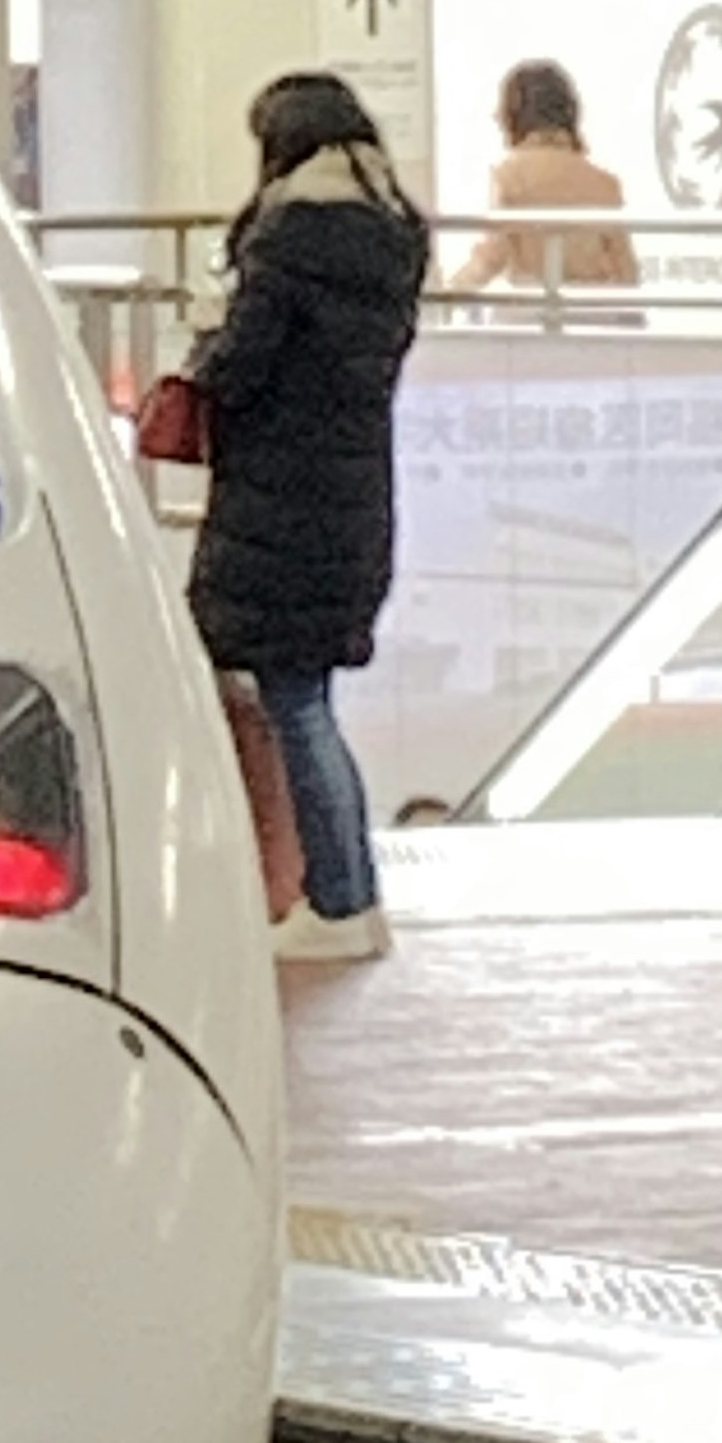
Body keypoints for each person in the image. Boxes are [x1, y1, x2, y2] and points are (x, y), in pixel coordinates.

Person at [186, 72, 427, 964]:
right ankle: (343, 891)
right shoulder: (398, 232)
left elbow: (245, 364)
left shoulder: (288, 234)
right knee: (303, 696)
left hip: (278, 496)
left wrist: (207, 345)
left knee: (293, 700)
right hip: (355, 496)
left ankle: (340, 898)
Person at [448, 58, 639, 304]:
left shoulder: (509, 177)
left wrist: (447, 293)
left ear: (513, 115)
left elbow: (491, 258)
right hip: (591, 320)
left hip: (528, 319)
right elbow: (626, 272)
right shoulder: (605, 184)